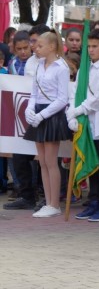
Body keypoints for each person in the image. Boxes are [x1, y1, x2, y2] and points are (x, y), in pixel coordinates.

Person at [68, 29, 99, 222]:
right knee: (91, 164)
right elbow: (75, 92)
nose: (90, 50)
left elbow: (98, 100)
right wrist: (71, 115)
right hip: (85, 122)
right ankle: (94, 201)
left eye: (95, 46)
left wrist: (77, 110)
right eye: (88, 46)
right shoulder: (84, 68)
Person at [23, 30, 71, 217]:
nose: (36, 48)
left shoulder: (62, 67)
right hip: (38, 113)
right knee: (42, 161)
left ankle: (54, 204)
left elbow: (62, 99)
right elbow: (34, 93)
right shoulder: (39, 65)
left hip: (52, 114)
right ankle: (48, 202)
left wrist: (42, 115)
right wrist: (29, 109)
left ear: (52, 47)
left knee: (51, 161)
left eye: (40, 45)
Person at [3, 31, 39, 211]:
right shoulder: (12, 64)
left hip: (38, 114)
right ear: (14, 49)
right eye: (19, 49)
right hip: (18, 114)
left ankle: (45, 195)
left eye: (26, 48)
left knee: (42, 158)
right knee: (19, 156)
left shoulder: (38, 62)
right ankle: (26, 196)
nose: (23, 52)